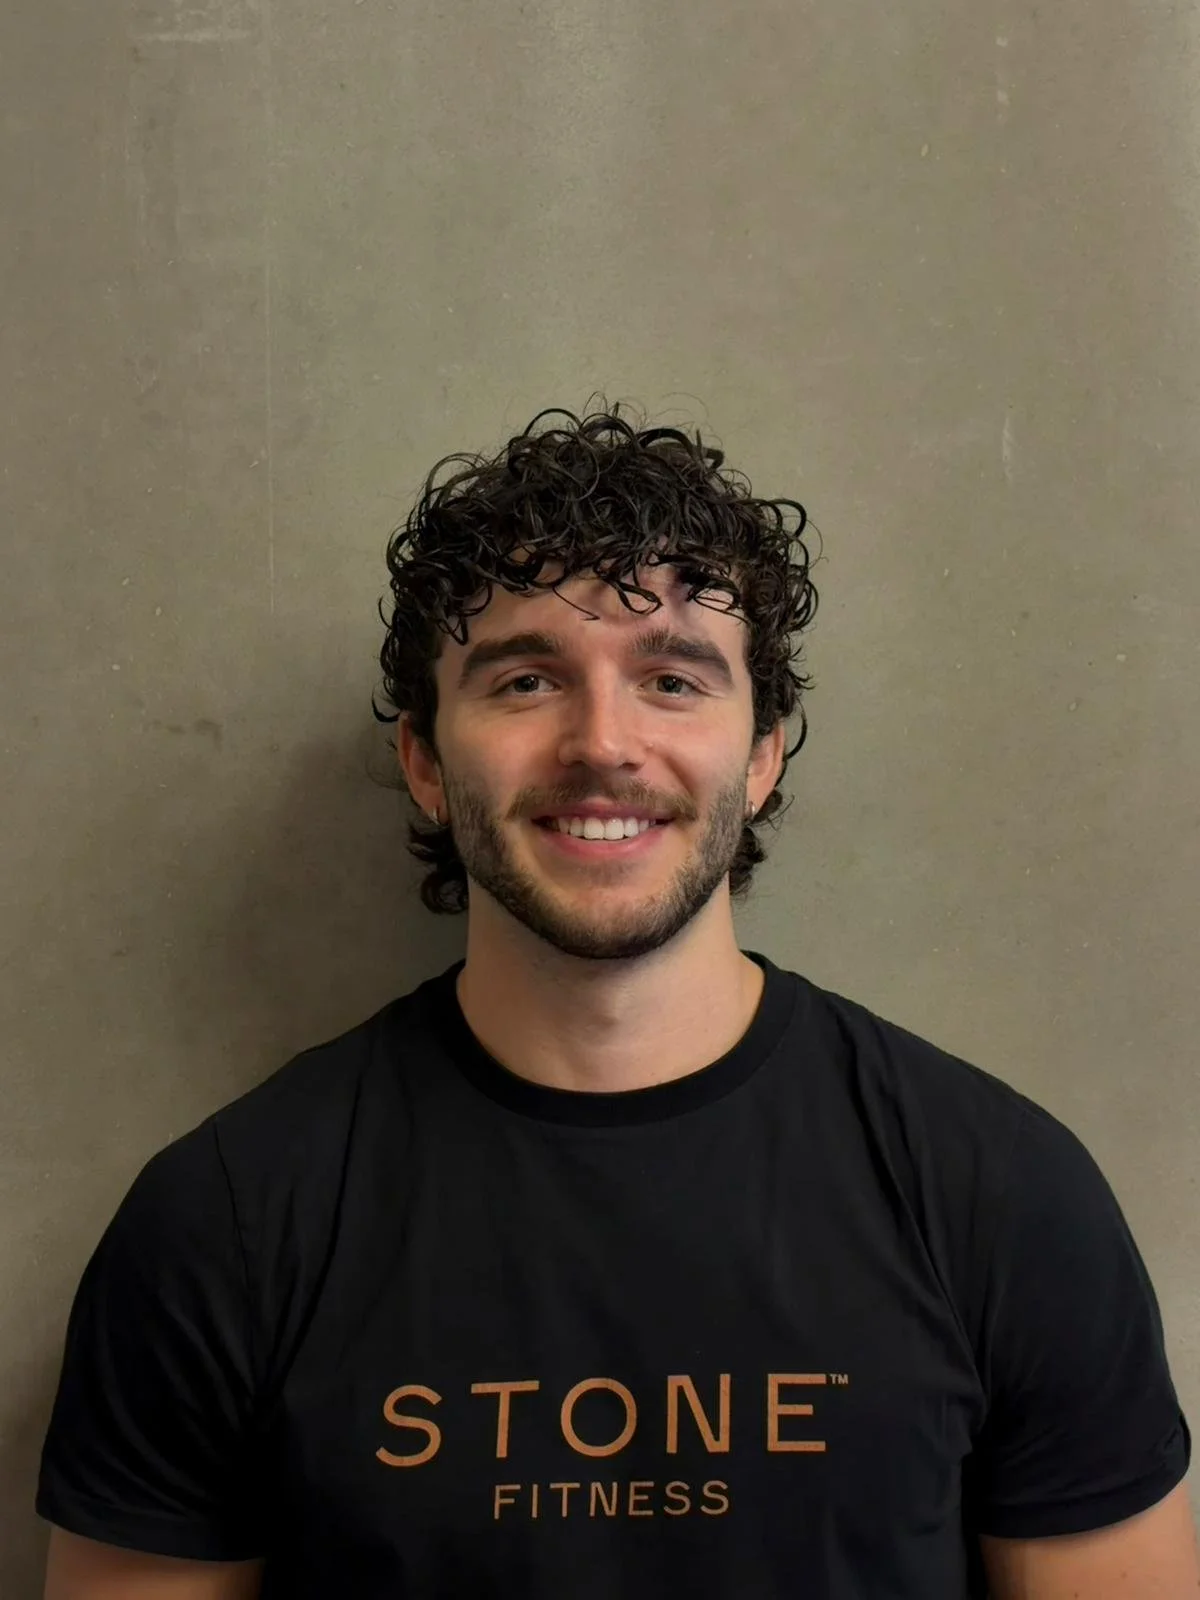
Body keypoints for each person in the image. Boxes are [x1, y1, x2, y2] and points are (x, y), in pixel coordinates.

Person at [37, 400, 1197, 1598]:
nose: (604, 742)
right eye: (528, 678)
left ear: (761, 756)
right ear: (427, 761)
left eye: (674, 680)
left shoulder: (1001, 1195)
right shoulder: (223, 1224)